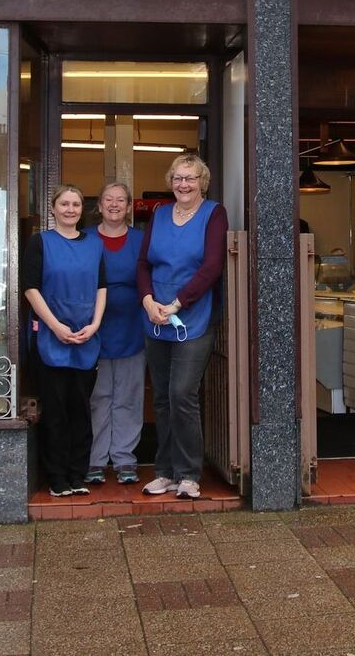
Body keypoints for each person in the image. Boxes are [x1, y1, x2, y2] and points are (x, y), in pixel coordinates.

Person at [137, 153, 228, 500]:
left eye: (190, 178)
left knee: (181, 394)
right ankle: (166, 473)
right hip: (155, 317)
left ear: (202, 181)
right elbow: (143, 263)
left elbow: (212, 266)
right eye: (177, 178)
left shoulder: (213, 213)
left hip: (192, 316)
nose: (183, 184)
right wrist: (148, 301)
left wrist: (177, 302)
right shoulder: (159, 214)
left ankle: (189, 474)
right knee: (161, 398)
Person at [23, 184, 106, 498]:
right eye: (64, 204)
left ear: (81, 209)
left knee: (80, 410)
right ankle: (57, 478)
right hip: (51, 337)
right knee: (55, 411)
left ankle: (77, 474)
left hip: (86, 337)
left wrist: (95, 324)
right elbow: (30, 288)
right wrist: (55, 326)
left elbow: (102, 287)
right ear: (53, 208)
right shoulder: (40, 243)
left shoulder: (94, 245)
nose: (70, 209)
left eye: (75, 204)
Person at [83, 182, 148, 486]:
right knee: (98, 397)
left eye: (120, 200)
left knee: (129, 396)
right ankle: (95, 460)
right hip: (93, 328)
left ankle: (124, 459)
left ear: (128, 206)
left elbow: (152, 278)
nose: (114, 204)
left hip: (133, 327)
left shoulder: (140, 240)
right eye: (108, 199)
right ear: (99, 205)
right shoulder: (85, 240)